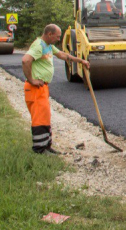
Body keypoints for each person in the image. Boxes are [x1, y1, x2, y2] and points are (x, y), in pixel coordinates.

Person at [21, 24, 90, 154]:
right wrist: (31, 80)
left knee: (45, 117)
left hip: (42, 88)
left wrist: (81, 61)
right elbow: (26, 60)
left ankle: (47, 146)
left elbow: (64, 56)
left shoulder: (48, 46)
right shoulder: (39, 45)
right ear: (49, 34)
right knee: (39, 119)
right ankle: (40, 149)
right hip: (36, 88)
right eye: (57, 37)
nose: (58, 39)